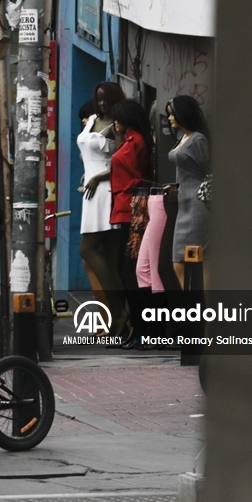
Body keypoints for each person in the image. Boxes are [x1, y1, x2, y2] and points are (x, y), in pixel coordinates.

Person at [77, 81, 130, 336]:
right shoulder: (92, 121)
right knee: (108, 260)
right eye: (97, 98)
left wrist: (98, 177)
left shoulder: (115, 126)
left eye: (104, 99)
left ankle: (118, 313)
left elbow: (121, 162)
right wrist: (88, 177)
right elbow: (88, 156)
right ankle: (117, 317)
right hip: (90, 191)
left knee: (87, 249)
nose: (100, 103)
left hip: (105, 191)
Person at [108, 100, 156, 347]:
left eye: (117, 119)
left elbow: (136, 176)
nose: (114, 123)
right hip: (128, 209)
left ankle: (141, 330)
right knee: (126, 270)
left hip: (133, 210)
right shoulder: (132, 139)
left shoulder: (134, 141)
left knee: (131, 272)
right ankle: (137, 329)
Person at [165, 96, 211, 290]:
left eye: (172, 114)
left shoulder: (198, 139)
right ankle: (193, 307)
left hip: (196, 205)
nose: (169, 119)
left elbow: (208, 169)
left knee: (198, 261)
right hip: (183, 203)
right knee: (178, 261)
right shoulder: (183, 138)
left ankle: (207, 315)